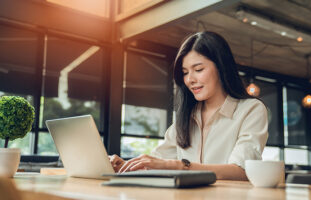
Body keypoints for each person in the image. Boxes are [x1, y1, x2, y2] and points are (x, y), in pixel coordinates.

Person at [110, 31, 268, 180]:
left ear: (221, 67)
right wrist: (124, 165)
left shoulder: (251, 109)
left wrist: (181, 166)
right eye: (185, 72)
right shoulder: (186, 116)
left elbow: (242, 170)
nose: (189, 80)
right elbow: (157, 162)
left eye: (198, 69)